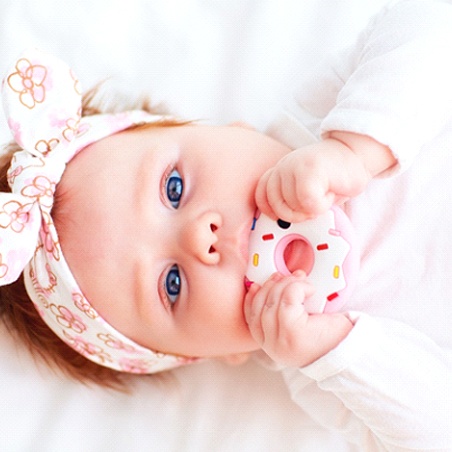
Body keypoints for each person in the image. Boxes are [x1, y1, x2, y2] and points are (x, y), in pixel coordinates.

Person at [1, 1, 451, 450]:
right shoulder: (321, 375)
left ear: (232, 129)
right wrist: (338, 353)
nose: (200, 236)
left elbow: (433, 23)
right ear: (223, 352)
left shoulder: (315, 120)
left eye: (173, 188)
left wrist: (356, 146)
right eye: (171, 284)